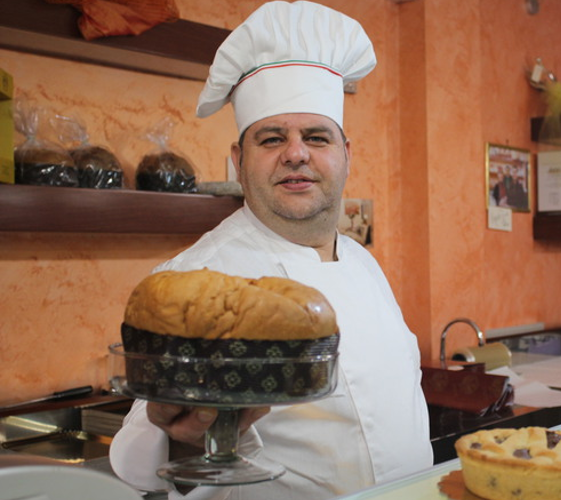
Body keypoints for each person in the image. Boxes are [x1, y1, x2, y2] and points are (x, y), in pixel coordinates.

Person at [108, 2, 434, 499]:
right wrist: (182, 439)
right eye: (272, 138)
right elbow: (145, 459)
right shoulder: (196, 279)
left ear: (346, 155)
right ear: (239, 162)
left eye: (317, 137)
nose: (296, 153)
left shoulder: (364, 263)